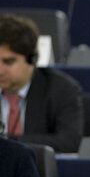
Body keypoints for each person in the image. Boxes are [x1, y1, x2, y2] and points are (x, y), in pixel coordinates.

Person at [0, 14, 83, 153]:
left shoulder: (61, 89)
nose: (0, 70)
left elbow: (69, 142)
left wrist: (9, 141)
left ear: (32, 60)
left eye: (8, 62)